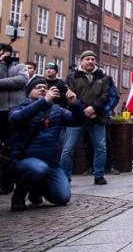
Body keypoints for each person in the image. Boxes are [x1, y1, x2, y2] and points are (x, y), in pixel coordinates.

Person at [8, 79, 86, 211]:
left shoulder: (56, 110)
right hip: (25, 161)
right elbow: (16, 118)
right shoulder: (20, 107)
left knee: (62, 198)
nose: (42, 89)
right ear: (28, 93)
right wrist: (43, 102)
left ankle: (36, 189)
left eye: (45, 87)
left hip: (51, 164)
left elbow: (77, 121)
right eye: (37, 87)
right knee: (39, 169)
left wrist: (74, 104)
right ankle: (19, 194)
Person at [60, 51, 114, 185]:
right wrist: (83, 110)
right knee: (68, 148)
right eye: (87, 59)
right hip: (76, 118)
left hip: (97, 117)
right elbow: (69, 95)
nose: (90, 61)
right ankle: (65, 177)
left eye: (92, 59)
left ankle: (99, 175)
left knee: (100, 147)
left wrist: (94, 108)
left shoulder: (104, 77)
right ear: (81, 61)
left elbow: (106, 95)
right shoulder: (72, 77)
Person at [0, 45, 31, 194]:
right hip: (0, 110)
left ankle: (10, 181)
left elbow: (21, 81)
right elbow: (15, 82)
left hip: (15, 111)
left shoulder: (20, 66)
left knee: (13, 147)